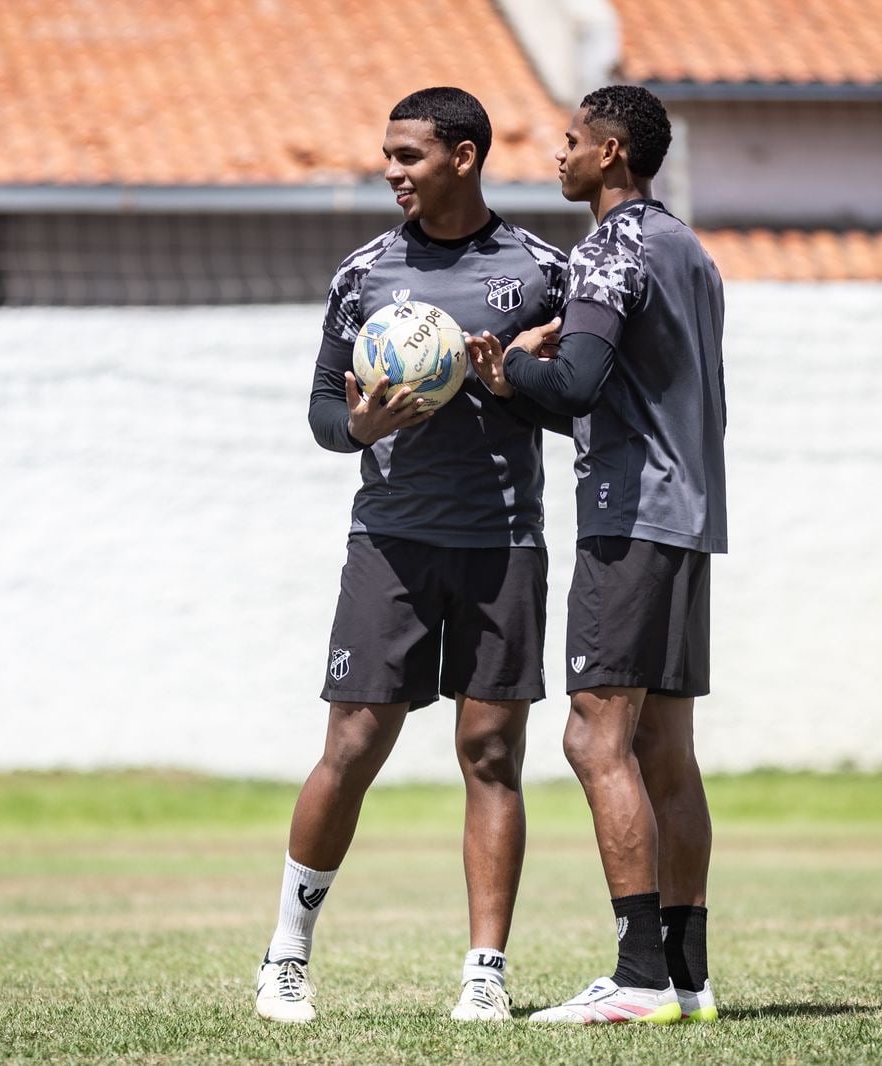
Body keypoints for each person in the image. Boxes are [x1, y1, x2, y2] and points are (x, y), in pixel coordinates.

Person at [254, 86, 570, 1025]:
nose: (392, 171)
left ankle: (485, 974)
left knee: (491, 752)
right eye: (388, 156)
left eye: (409, 156)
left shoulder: (541, 272)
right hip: (389, 541)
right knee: (352, 744)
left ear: (463, 158)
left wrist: (508, 379)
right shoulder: (363, 276)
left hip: (503, 541)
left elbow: (574, 403)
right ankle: (286, 959)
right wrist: (355, 427)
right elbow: (320, 410)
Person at [467, 84, 726, 1026]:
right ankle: (689, 980)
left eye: (571, 142)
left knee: (591, 733)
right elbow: (609, 385)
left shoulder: (609, 247)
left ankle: (640, 977)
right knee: (668, 749)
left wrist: (509, 368)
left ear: (612, 153)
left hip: (629, 517)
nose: (558, 156)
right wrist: (527, 372)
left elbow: (575, 383)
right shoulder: (689, 249)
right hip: (692, 519)